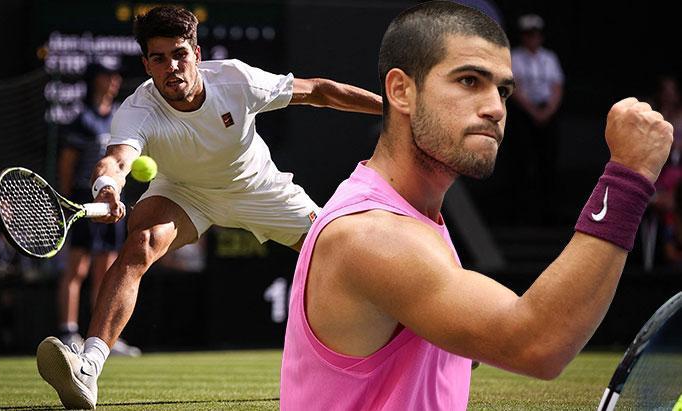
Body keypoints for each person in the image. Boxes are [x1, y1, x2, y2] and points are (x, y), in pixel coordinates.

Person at [279, 2, 672, 409]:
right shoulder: (372, 234)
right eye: (469, 81)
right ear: (400, 91)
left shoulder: (412, 219)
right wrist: (629, 175)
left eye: (503, 91)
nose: (496, 109)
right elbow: (538, 342)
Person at [35, 5, 382, 410]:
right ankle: (88, 368)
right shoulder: (138, 109)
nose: (172, 67)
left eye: (179, 54)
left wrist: (393, 111)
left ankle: (411, 336)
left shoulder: (236, 80)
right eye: (159, 58)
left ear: (196, 54)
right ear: (146, 65)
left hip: (257, 187)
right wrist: (107, 187)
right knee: (140, 242)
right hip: (186, 193)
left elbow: (318, 91)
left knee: (342, 257)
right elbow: (116, 160)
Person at [55, 62, 140, 356]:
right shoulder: (82, 120)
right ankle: (68, 332)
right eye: (108, 76)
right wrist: (68, 201)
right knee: (77, 268)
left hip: (113, 203)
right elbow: (66, 166)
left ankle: (100, 339)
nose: (114, 81)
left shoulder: (119, 120)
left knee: (107, 272)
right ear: (95, 81)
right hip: (84, 201)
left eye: (116, 76)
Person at [507, 13, 565, 223]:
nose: (532, 38)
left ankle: (548, 212)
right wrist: (532, 111)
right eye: (528, 34)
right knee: (522, 161)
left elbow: (557, 86)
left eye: (536, 34)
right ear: (523, 36)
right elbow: (514, 87)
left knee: (548, 162)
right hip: (523, 113)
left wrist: (548, 111)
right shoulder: (515, 57)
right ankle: (520, 213)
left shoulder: (549, 58)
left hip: (547, 112)